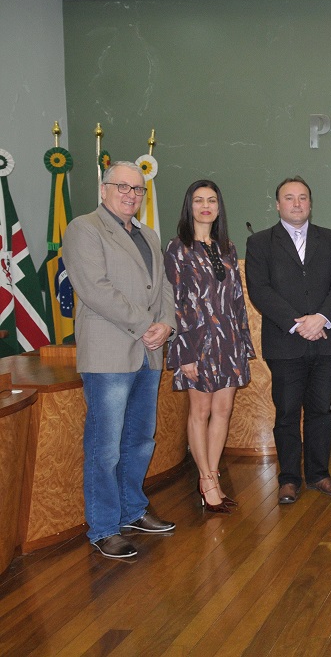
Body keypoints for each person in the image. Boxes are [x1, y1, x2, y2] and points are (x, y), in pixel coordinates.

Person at [63, 161, 177, 560]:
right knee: (106, 446)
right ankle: (104, 528)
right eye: (122, 187)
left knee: (140, 441)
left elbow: (163, 287)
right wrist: (147, 324)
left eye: (138, 189)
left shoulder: (148, 234)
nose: (131, 195)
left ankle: (132, 510)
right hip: (109, 353)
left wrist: (166, 324)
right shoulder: (84, 228)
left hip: (149, 351)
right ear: (103, 189)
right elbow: (95, 289)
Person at [246, 176, 331, 505]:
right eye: (289, 198)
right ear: (278, 205)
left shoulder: (330, 239)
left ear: (310, 203)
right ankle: (289, 479)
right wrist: (298, 324)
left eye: (302, 197)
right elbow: (260, 290)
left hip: (323, 340)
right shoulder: (260, 242)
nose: (296, 203)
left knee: (320, 411)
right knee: (287, 413)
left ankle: (319, 474)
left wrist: (321, 318)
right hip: (285, 343)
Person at [164, 180, 254, 514]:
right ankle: (205, 480)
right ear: (189, 206)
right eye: (199, 200)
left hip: (228, 341)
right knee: (200, 412)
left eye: (212, 200)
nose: (205, 206)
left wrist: (242, 342)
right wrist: (184, 352)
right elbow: (174, 302)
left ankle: (213, 474)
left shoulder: (227, 247)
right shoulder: (177, 248)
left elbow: (237, 300)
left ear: (219, 207)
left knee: (223, 410)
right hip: (197, 342)